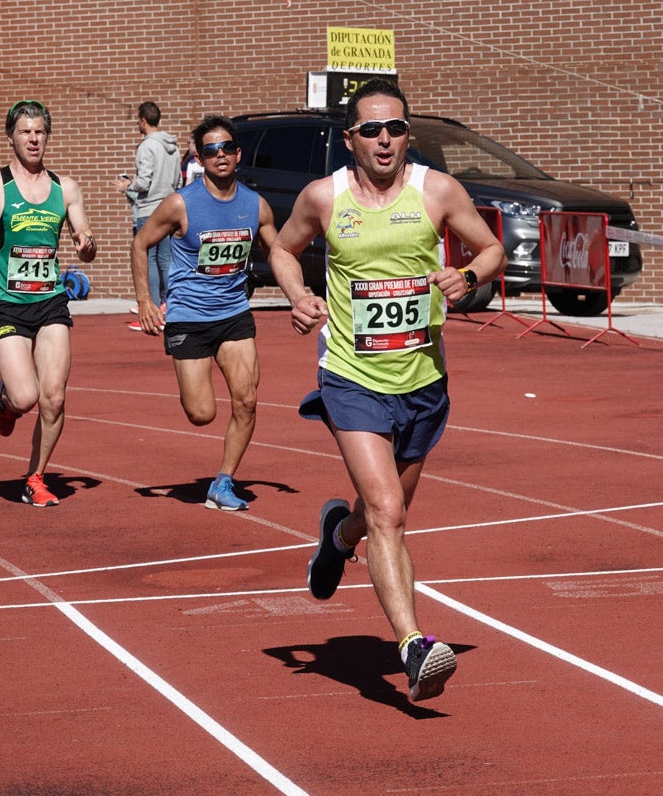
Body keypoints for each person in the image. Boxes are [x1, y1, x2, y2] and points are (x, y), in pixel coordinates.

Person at [268, 78, 507, 703]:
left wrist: (466, 275)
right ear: (351, 139)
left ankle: (335, 538)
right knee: (388, 513)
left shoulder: (438, 191)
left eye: (395, 127)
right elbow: (285, 250)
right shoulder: (325, 197)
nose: (384, 139)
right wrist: (299, 295)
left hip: (423, 381)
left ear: (408, 135)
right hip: (351, 376)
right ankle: (413, 645)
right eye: (371, 128)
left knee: (378, 518)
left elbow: (490, 247)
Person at [0, 99, 97, 507]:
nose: (33, 139)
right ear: (10, 137)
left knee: (55, 397)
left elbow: (85, 241)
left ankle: (35, 476)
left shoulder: (65, 188)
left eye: (40, 132)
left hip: (50, 300)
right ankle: (7, 402)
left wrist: (86, 245)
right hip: (6, 302)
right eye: (25, 132)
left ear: (47, 136)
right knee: (26, 397)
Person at [131, 114, 277, 510]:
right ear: (200, 157)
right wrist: (146, 299)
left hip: (233, 314)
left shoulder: (255, 205)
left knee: (246, 400)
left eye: (227, 147)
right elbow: (141, 243)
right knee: (202, 413)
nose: (220, 155)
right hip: (188, 317)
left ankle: (223, 482)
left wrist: (299, 295)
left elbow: (278, 251)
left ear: (238, 153)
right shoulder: (182, 203)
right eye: (211, 150)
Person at [113, 101, 180, 307]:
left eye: (138, 121)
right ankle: (169, 304)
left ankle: (151, 305)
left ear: (143, 120)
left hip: (149, 209)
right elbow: (178, 181)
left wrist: (127, 185)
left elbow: (144, 182)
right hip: (170, 207)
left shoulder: (147, 146)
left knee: (148, 256)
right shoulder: (174, 147)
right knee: (167, 258)